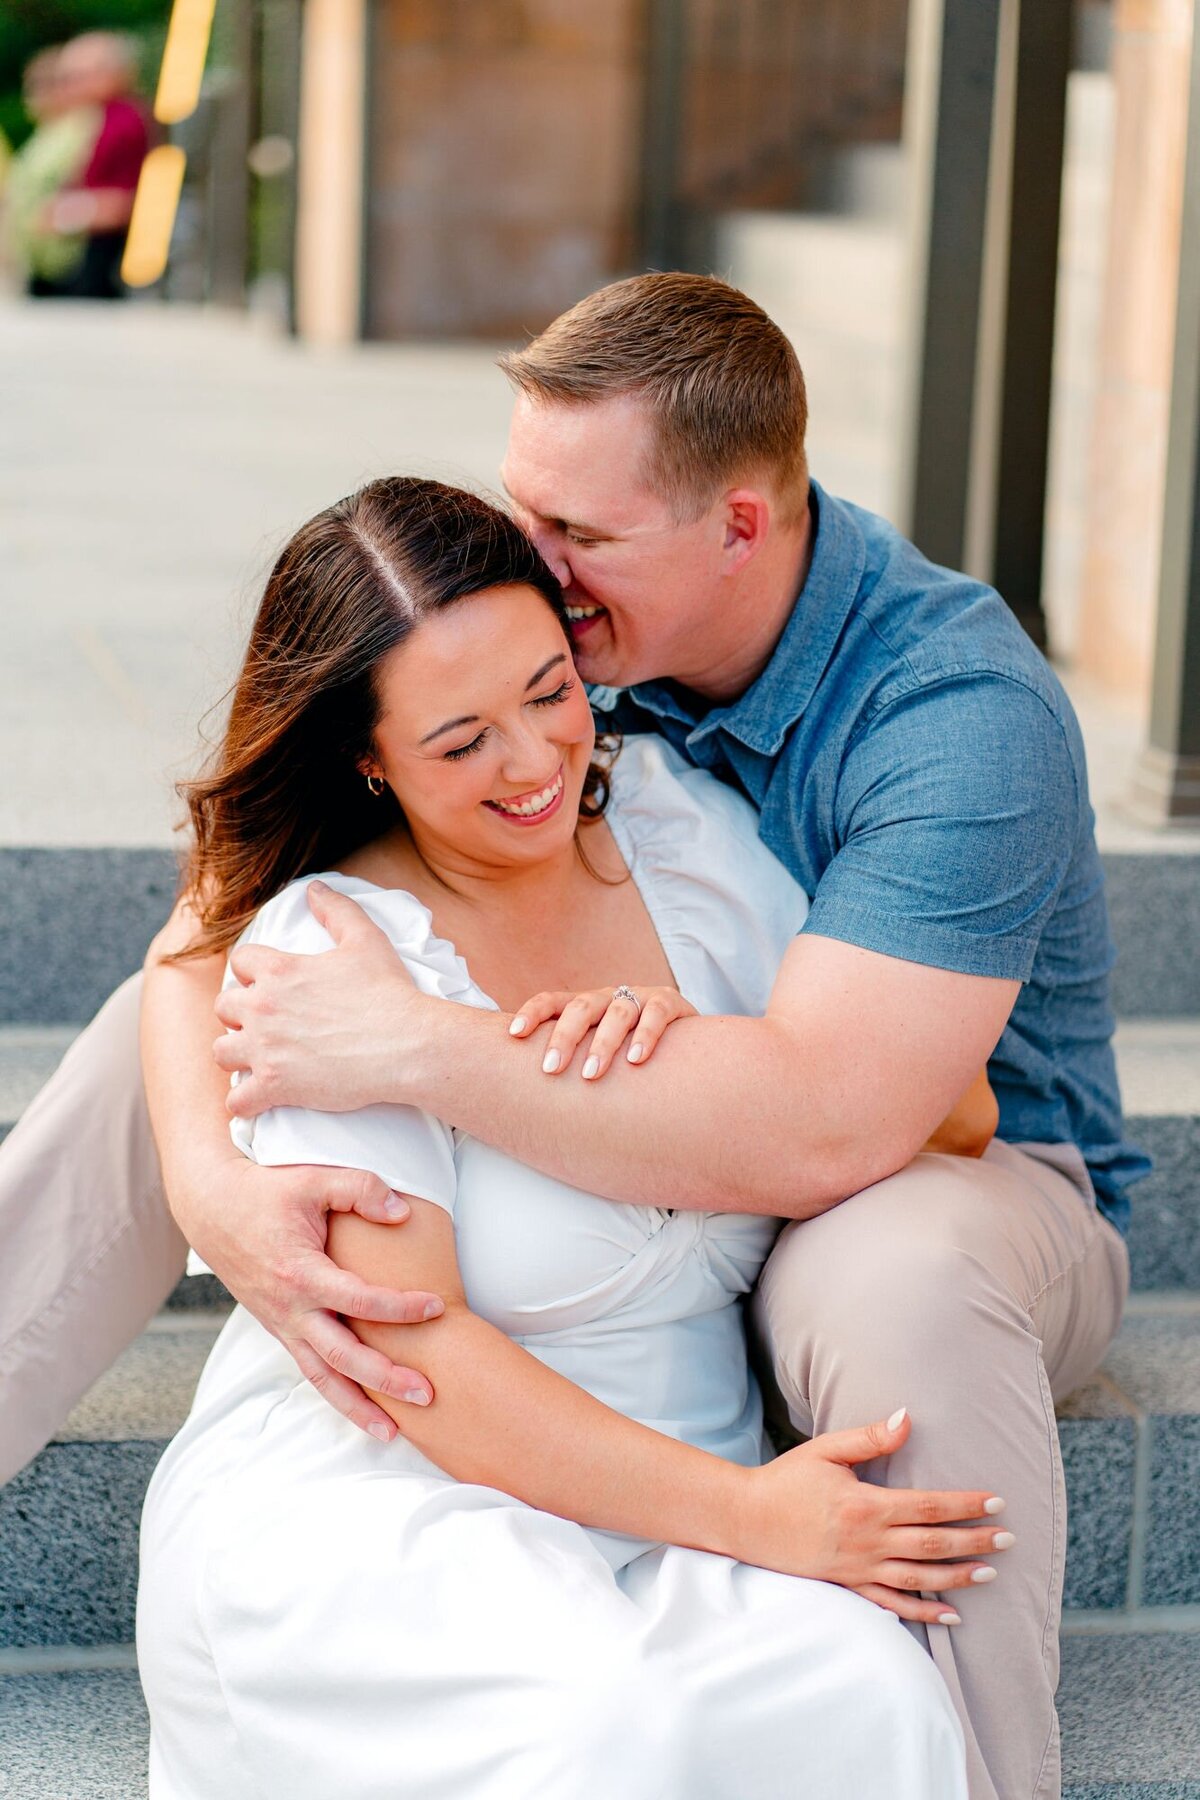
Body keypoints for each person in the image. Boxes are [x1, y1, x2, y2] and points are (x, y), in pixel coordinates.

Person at [0, 275, 1142, 1799]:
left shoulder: (948, 709)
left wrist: (428, 1049)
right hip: (608, 1226)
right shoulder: (577, 643)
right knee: (215, 1001)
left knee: (891, 1273)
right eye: (527, 511)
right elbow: (219, 918)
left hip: (946, 1167)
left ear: (738, 524)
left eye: (575, 541)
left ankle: (986, 1767)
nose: (534, 564)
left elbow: (855, 1119)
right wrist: (221, 1194)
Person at [137, 474, 976, 1798]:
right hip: (407, 1501)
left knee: (869, 1694)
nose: (534, 764)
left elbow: (954, 1110)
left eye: (548, 692)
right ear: (369, 758)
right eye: (461, 741)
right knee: (606, 1725)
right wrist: (760, 1517)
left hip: (678, 1505)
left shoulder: (678, 838)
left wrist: (702, 1059)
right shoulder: (333, 962)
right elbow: (423, 1376)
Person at [39, 33, 150, 300]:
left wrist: (63, 215)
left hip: (103, 254)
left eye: (78, 76)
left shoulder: (121, 122)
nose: (69, 87)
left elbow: (121, 200)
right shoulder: (88, 120)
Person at [3, 47, 99, 297]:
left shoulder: (83, 126)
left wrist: (61, 216)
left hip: (70, 260)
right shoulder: (47, 133)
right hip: (40, 260)